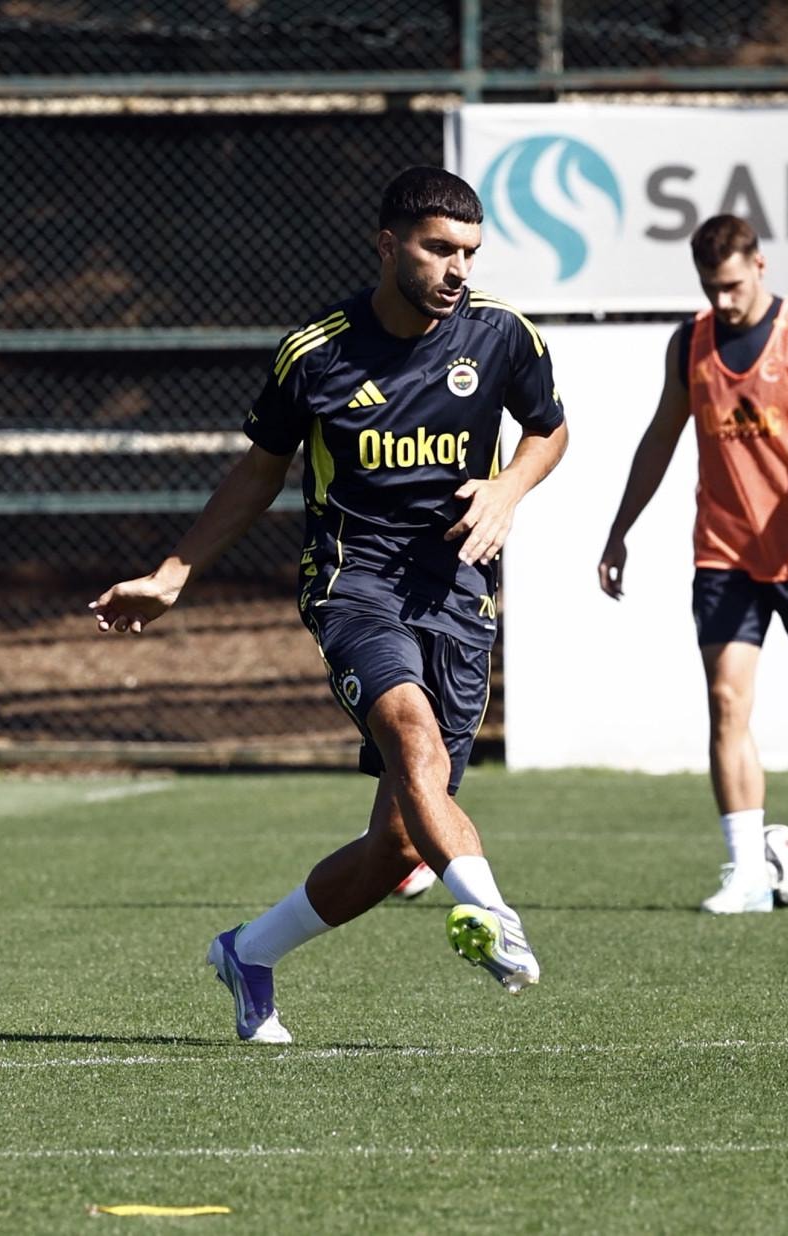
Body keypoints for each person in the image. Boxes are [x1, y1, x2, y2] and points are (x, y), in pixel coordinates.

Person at [91, 166, 568, 1042]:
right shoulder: (315, 354)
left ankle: (248, 953)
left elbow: (549, 429)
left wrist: (509, 489)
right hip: (355, 584)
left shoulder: (503, 335)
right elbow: (258, 474)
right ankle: (493, 912)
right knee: (412, 738)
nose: (458, 269)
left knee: (400, 843)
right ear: (388, 246)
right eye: (438, 249)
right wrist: (173, 573)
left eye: (469, 252)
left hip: (459, 591)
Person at [597, 214, 788, 914]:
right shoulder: (690, 344)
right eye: (710, 288)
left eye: (731, 285)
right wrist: (619, 531)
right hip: (724, 555)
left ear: (760, 266)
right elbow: (659, 439)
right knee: (726, 702)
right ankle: (747, 871)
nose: (722, 301)